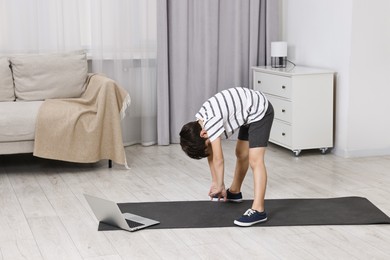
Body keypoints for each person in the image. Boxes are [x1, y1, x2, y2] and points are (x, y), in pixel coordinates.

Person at [179, 87, 274, 227]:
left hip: (260, 111)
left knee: (255, 160)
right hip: (248, 113)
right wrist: (215, 182)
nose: (209, 146)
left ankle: (259, 210)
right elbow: (210, 154)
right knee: (241, 153)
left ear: (203, 134)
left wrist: (220, 184)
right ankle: (235, 192)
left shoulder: (210, 122)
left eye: (207, 144)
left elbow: (218, 159)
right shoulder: (200, 122)